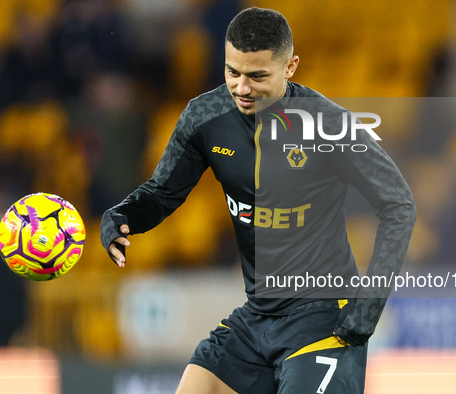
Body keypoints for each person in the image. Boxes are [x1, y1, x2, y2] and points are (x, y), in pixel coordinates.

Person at [101, 7, 416, 394]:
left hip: (323, 319)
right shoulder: (205, 116)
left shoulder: (329, 125)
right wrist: (122, 215)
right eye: (232, 72)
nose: (242, 87)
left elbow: (398, 203)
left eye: (257, 76)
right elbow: (163, 193)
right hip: (257, 317)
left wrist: (370, 303)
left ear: (290, 67)